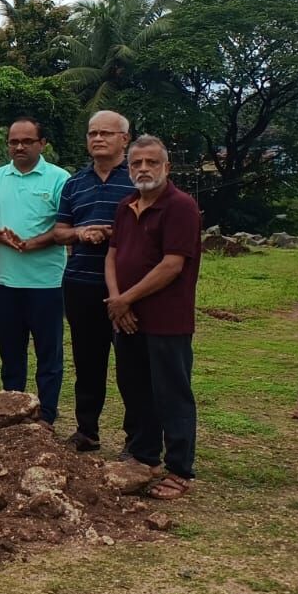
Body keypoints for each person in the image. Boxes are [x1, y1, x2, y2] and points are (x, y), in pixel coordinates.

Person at [106, 135, 202, 500]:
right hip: (126, 317)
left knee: (171, 393)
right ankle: (144, 457)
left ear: (167, 166)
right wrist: (117, 300)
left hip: (166, 319)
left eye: (151, 162)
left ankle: (180, 469)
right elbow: (112, 255)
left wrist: (125, 299)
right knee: (135, 389)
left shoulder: (181, 207)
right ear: (128, 168)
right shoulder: (126, 204)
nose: (143, 169)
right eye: (136, 163)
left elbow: (172, 265)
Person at [0, 117, 71, 424]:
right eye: (13, 141)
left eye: (27, 141)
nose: (19, 146)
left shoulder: (59, 179)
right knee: (11, 353)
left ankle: (46, 416)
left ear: (42, 144)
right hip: (4, 280)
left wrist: (34, 243)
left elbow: (65, 227)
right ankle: (13, 411)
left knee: (49, 355)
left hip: (47, 282)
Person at [51, 110, 133, 451]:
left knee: (131, 364)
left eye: (106, 134)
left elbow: (150, 232)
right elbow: (59, 232)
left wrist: (114, 233)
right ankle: (86, 431)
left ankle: (137, 439)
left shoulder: (137, 179)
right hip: (81, 283)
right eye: (92, 133)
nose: (97, 139)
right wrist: (81, 233)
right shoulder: (74, 183)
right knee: (87, 361)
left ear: (124, 139)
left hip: (129, 288)